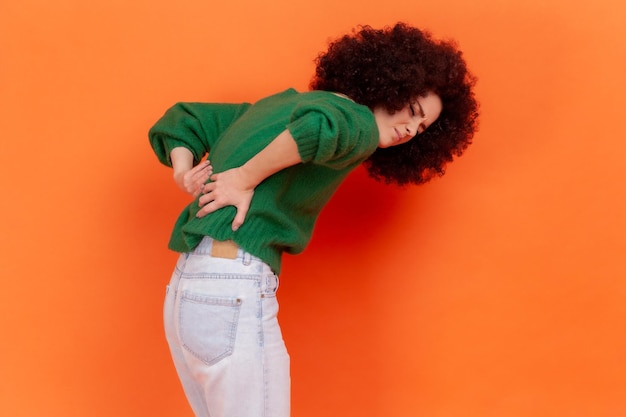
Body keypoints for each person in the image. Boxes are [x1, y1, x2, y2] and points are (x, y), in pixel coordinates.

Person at [149, 22, 478, 417]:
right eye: (412, 111)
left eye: (422, 127)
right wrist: (243, 177)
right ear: (390, 82)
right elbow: (318, 129)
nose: (410, 130)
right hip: (231, 285)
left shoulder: (276, 106)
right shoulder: (357, 122)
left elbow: (187, 120)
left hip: (188, 288)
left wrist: (183, 171)